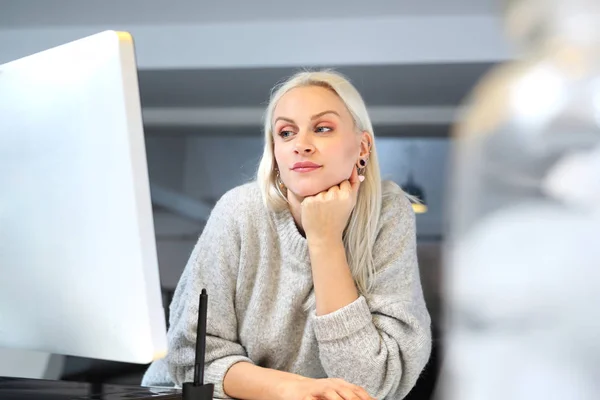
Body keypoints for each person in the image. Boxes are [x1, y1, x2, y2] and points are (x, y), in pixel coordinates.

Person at [141, 70, 432, 400]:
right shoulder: (239, 210)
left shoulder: (386, 213)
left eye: (322, 128)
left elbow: (373, 383)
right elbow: (191, 359)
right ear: (275, 151)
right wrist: (294, 388)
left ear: (362, 146)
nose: (302, 145)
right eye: (286, 132)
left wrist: (325, 241)